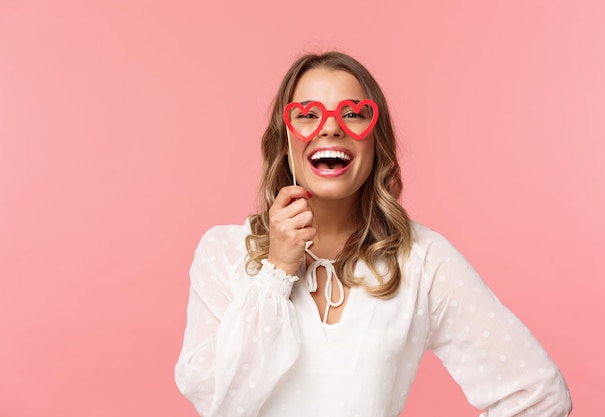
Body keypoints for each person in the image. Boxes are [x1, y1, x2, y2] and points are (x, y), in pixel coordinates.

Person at [174, 51, 572, 417]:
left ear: (375, 141)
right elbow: (216, 400)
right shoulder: (223, 253)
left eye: (354, 113)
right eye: (308, 114)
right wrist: (276, 270)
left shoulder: (423, 260)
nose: (330, 127)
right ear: (285, 141)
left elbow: (537, 394)